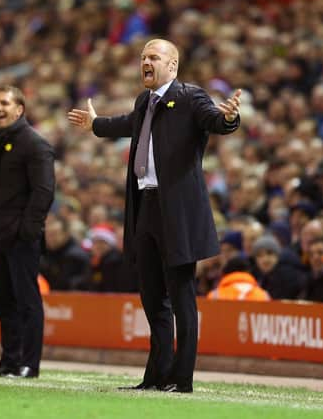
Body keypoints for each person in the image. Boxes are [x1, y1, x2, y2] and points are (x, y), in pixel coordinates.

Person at [68, 38, 241, 393]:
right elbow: (128, 123)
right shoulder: (144, 100)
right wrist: (96, 125)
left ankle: (182, 379)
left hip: (176, 210)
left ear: (172, 66)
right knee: (151, 296)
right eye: (143, 56)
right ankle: (155, 376)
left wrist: (230, 118)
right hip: (145, 205)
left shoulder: (191, 97)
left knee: (181, 295)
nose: (146, 62)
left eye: (154, 57)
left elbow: (214, 121)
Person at [0, 86, 55, 379]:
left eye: (4, 103)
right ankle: (8, 360)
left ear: (19, 109)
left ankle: (28, 364)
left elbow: (44, 191)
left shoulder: (35, 145)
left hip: (20, 238)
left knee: (27, 301)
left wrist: (27, 230)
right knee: (5, 302)